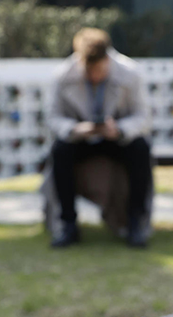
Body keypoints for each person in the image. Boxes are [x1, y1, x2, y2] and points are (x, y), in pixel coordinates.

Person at [48, 28, 152, 248]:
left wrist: (120, 129)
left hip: (116, 137)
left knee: (141, 147)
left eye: (99, 69)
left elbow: (142, 117)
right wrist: (75, 129)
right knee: (60, 150)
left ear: (108, 59)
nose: (94, 76)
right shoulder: (63, 75)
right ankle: (68, 224)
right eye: (89, 71)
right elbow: (53, 117)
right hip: (81, 137)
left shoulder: (130, 73)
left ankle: (135, 223)